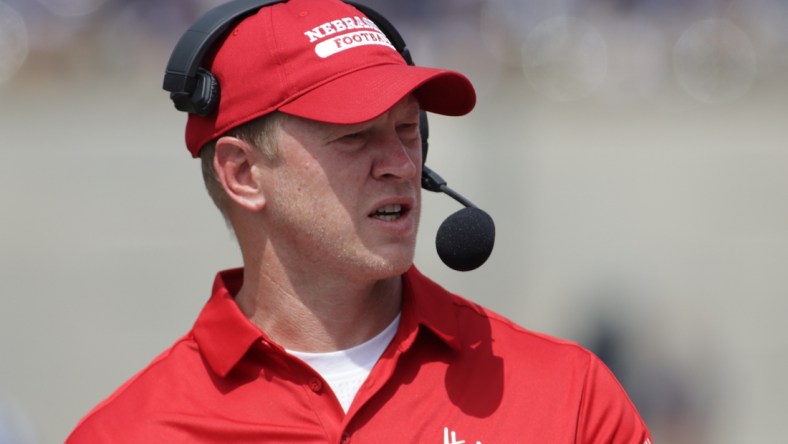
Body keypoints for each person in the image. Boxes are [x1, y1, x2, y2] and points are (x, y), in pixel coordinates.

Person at [68, 0, 653, 442]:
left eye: (407, 130)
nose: (399, 163)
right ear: (242, 174)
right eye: (354, 137)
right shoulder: (127, 432)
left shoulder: (569, 395)